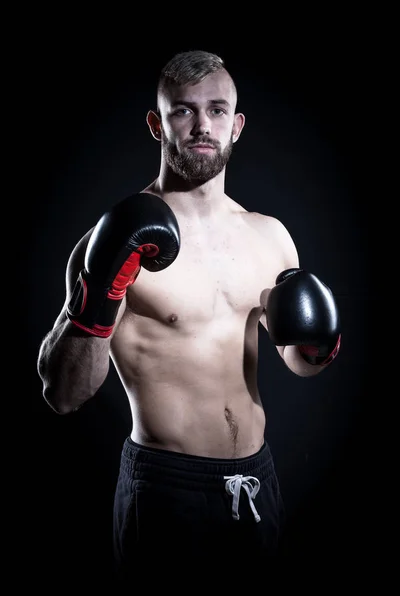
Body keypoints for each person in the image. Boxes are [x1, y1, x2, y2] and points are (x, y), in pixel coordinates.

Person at [37, 50, 341, 582]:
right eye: (184, 110)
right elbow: (64, 395)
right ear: (157, 123)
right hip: (164, 489)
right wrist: (96, 298)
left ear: (237, 125)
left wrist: (318, 345)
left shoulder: (270, 237)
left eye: (218, 110)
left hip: (256, 480)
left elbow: (300, 363)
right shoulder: (110, 240)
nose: (203, 125)